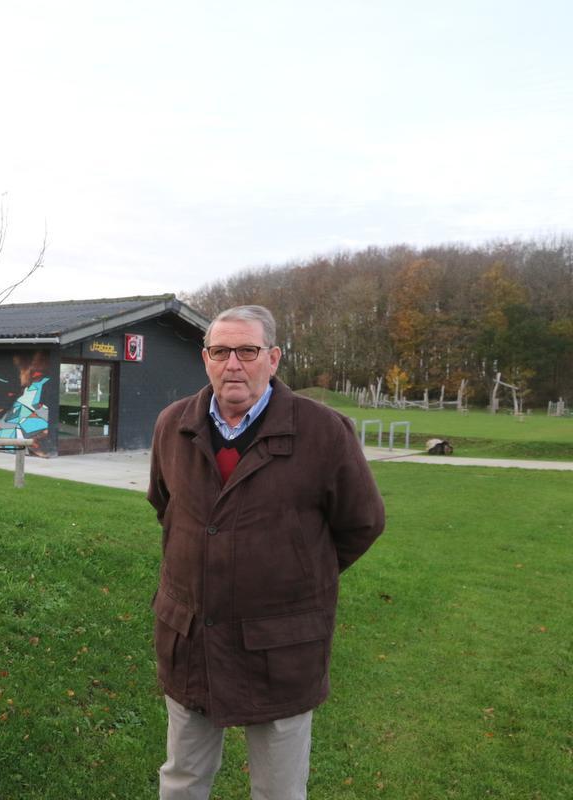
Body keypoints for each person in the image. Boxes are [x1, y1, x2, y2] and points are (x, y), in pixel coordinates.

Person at [147, 305, 385, 800]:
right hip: (190, 639)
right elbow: (164, 505)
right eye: (220, 351)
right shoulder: (173, 426)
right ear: (205, 358)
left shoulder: (323, 431)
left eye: (248, 351)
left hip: (281, 648)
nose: (233, 364)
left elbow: (361, 522)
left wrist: (298, 569)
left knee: (278, 790)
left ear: (273, 358)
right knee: (182, 781)